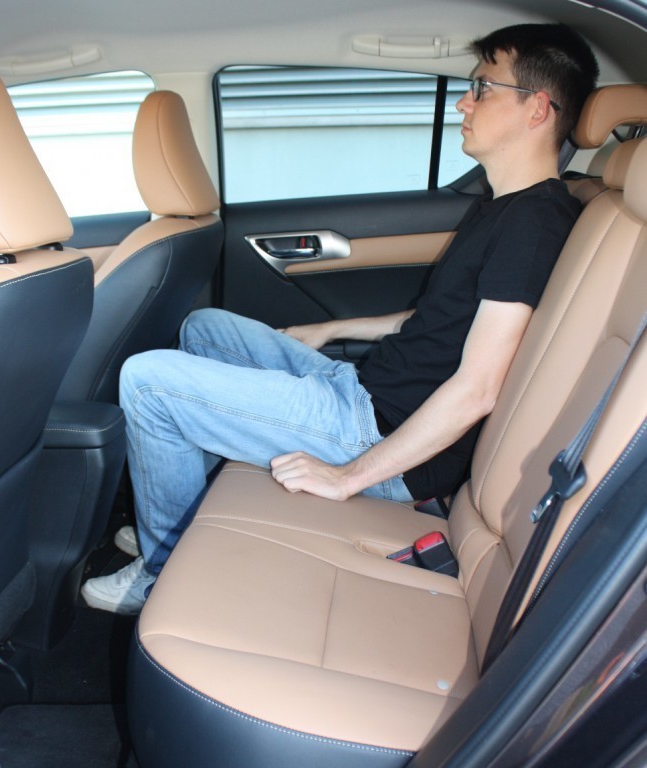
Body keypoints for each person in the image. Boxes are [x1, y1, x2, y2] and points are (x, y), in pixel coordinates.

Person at [81, 23, 599, 614]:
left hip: (375, 431)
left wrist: (348, 476)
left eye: (482, 87)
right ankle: (177, 510)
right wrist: (331, 330)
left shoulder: (533, 225)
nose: (463, 101)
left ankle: (163, 568)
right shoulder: (502, 209)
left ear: (537, 108)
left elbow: (479, 389)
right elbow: (436, 320)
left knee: (147, 383)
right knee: (205, 328)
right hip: (360, 390)